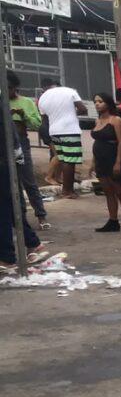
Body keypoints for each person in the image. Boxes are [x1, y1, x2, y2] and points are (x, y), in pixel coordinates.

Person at [0, 129, 46, 273]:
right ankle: (32, 242)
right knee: (10, 209)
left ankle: (7, 258)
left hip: (5, 163)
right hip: (8, 162)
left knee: (5, 210)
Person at [7, 71, 48, 229]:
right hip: (4, 143)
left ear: (15, 88)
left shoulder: (26, 102)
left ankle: (41, 215)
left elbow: (36, 124)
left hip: (20, 142)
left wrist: (23, 115)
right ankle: (20, 217)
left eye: (10, 88)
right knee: (12, 183)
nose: (7, 91)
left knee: (28, 180)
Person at [91, 93, 121, 236]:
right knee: (108, 192)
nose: (97, 104)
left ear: (108, 104)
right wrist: (93, 162)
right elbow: (96, 142)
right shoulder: (98, 121)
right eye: (95, 101)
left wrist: (118, 162)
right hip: (100, 161)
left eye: (100, 101)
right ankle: (113, 221)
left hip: (113, 159)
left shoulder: (115, 120)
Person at [37, 77, 87, 198]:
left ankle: (66, 188)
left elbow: (44, 118)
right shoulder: (70, 91)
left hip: (54, 130)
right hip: (69, 129)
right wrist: (72, 114)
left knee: (63, 158)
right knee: (70, 160)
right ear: (57, 84)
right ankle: (67, 190)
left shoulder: (42, 98)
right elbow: (83, 109)